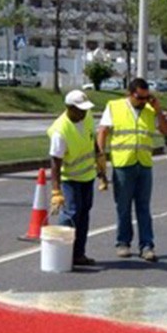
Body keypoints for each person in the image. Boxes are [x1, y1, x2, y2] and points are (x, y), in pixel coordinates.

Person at [97, 77, 167, 262]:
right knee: (123, 207)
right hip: (123, 164)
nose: (143, 101)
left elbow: (166, 131)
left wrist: (158, 110)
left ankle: (147, 246)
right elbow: (103, 131)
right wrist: (101, 157)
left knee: (143, 207)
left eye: (147, 97)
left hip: (144, 165)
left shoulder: (149, 110)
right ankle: (123, 243)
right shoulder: (114, 106)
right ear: (130, 94)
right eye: (140, 97)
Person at [47, 89, 106, 267]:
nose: (84, 112)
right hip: (70, 179)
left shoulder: (86, 117)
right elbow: (55, 163)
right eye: (80, 109)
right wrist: (56, 191)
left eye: (85, 109)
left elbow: (92, 139)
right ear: (69, 108)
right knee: (71, 215)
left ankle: (78, 254)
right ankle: (63, 255)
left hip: (87, 176)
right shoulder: (60, 130)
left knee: (84, 214)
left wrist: (100, 163)